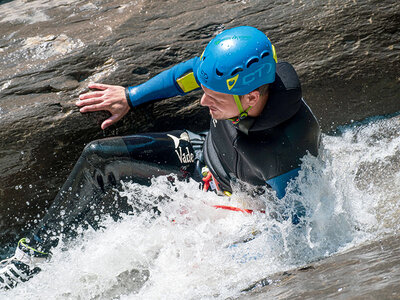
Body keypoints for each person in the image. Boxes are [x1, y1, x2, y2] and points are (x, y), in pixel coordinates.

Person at [0, 26, 320, 290]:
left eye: (214, 97)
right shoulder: (234, 76)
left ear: (251, 98)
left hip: (240, 206)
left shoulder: (283, 152)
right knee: (98, 156)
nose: (202, 101)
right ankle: (31, 257)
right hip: (199, 156)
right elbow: (187, 75)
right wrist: (130, 96)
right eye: (205, 90)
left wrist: (234, 262)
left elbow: (296, 239)